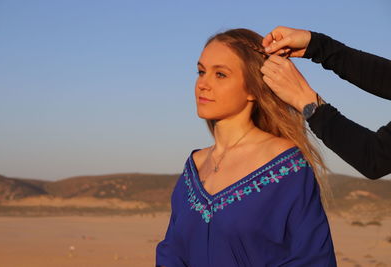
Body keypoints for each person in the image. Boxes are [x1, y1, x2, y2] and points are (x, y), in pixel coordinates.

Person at [155, 28, 336, 267]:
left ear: (252, 88)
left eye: (220, 74)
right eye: (201, 72)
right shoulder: (194, 167)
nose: (202, 84)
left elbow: (312, 259)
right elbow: (172, 254)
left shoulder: (286, 165)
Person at [260, 26, 391, 179]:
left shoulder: (282, 156)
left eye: (223, 74)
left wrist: (305, 100)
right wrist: (318, 45)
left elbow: (376, 158)